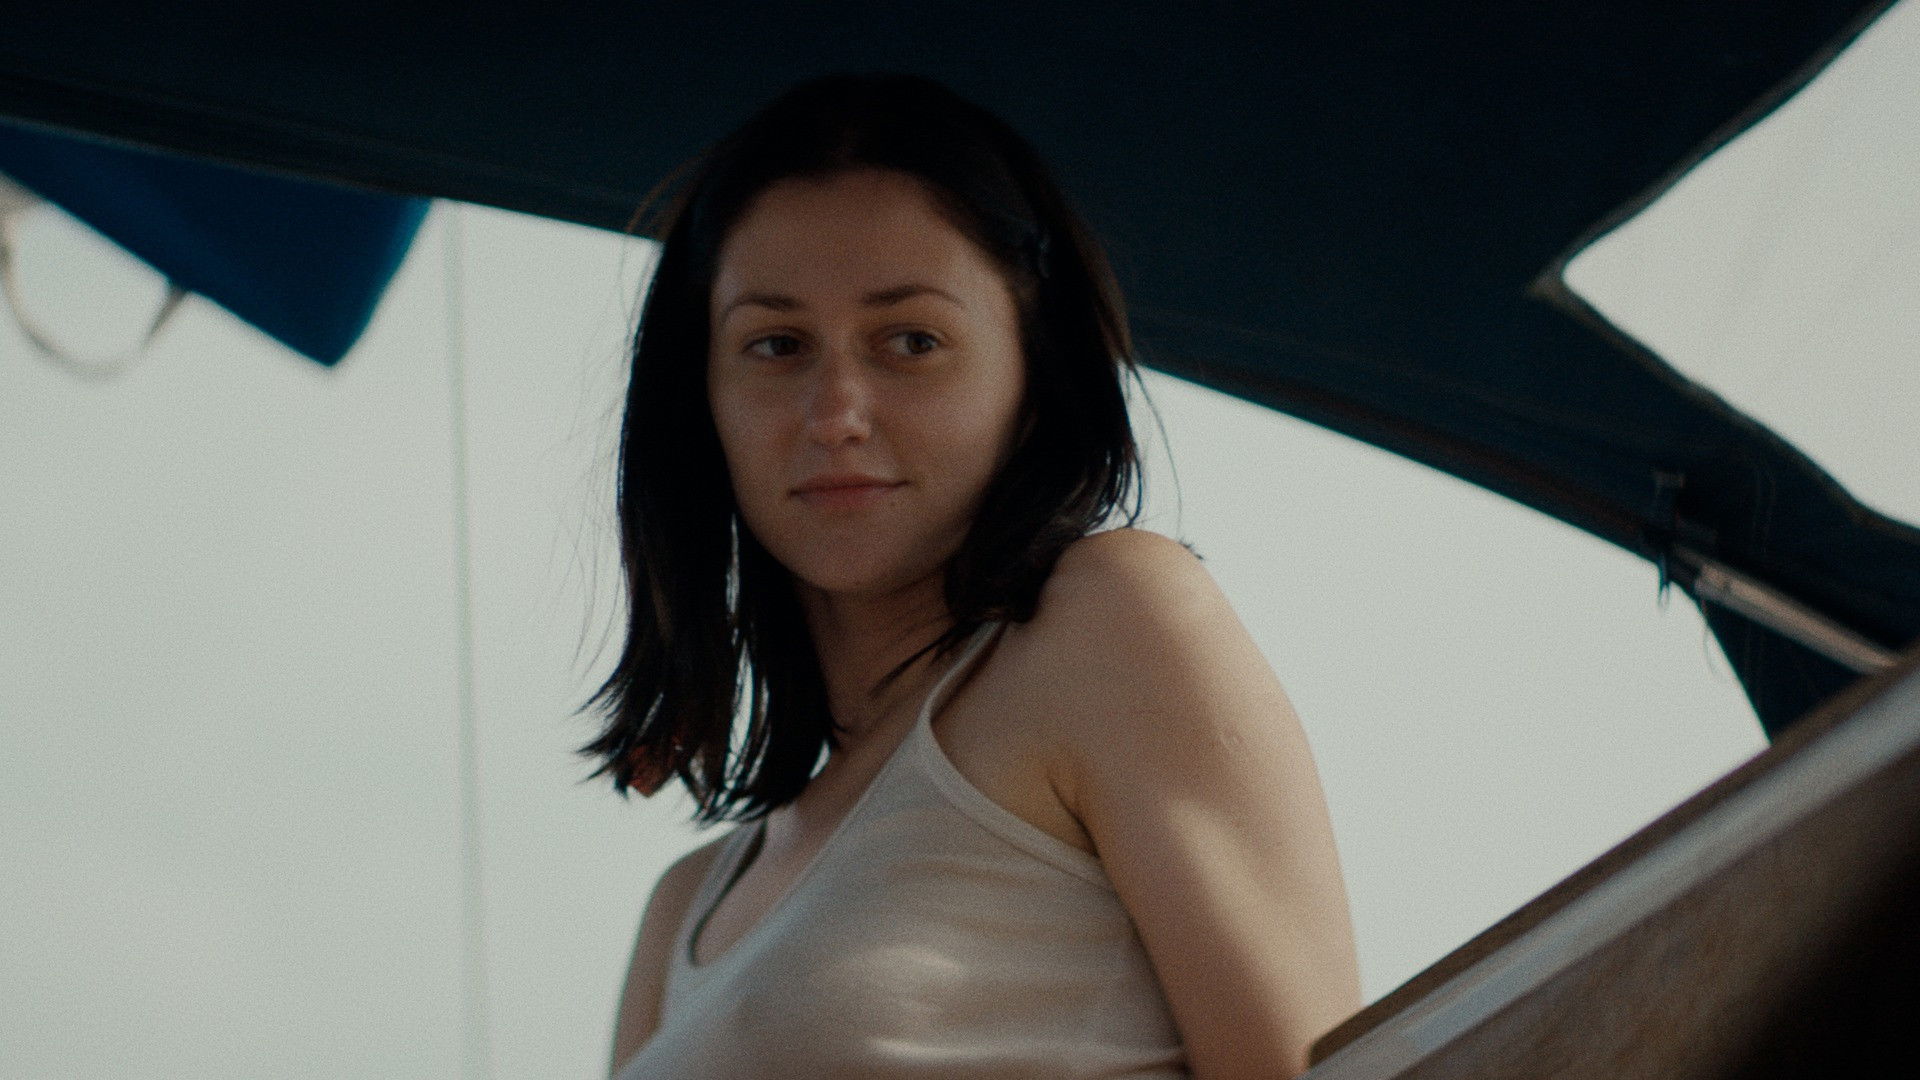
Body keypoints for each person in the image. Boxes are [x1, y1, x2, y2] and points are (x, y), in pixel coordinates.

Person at [580, 71, 1361, 1079]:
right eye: (776, 345)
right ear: (703, 402)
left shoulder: (1109, 623)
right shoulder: (683, 911)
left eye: (912, 341)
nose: (836, 413)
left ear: (1033, 374)